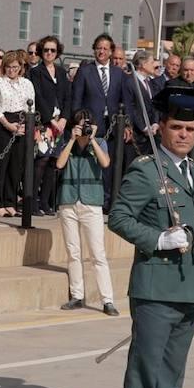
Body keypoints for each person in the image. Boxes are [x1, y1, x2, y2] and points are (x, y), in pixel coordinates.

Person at [107, 86, 194, 388]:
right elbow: (119, 218)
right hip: (155, 286)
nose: (184, 134)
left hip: (189, 285)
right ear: (162, 128)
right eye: (176, 127)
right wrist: (158, 238)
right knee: (147, 364)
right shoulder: (147, 170)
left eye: (190, 127)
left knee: (173, 368)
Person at [55, 110, 116, 315]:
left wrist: (93, 140)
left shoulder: (99, 143)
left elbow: (106, 163)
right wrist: (72, 140)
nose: (84, 128)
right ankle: (77, 296)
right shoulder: (67, 143)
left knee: (98, 253)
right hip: (68, 201)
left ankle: (107, 300)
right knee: (73, 252)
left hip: (91, 203)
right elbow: (59, 164)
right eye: (80, 125)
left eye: (87, 125)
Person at [0, 49, 35, 217]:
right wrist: (8, 125)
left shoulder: (27, 84)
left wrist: (24, 126)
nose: (12, 70)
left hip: (21, 124)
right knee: (0, 167)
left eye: (15, 67)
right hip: (2, 125)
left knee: (15, 167)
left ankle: (10, 201)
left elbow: (31, 107)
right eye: (8, 67)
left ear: (20, 67)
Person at [70, 33, 134, 135]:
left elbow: (126, 101)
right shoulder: (84, 72)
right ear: (94, 50)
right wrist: (79, 122)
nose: (101, 51)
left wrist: (127, 125)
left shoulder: (119, 73)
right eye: (98, 48)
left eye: (105, 49)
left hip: (114, 127)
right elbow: (76, 100)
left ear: (110, 52)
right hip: (91, 126)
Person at [29, 35, 71, 136]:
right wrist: (51, 120)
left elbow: (68, 96)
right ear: (41, 51)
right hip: (44, 122)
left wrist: (64, 119)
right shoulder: (35, 72)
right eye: (46, 50)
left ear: (57, 52)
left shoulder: (61, 72)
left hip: (61, 123)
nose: (49, 53)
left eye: (53, 50)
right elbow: (38, 97)